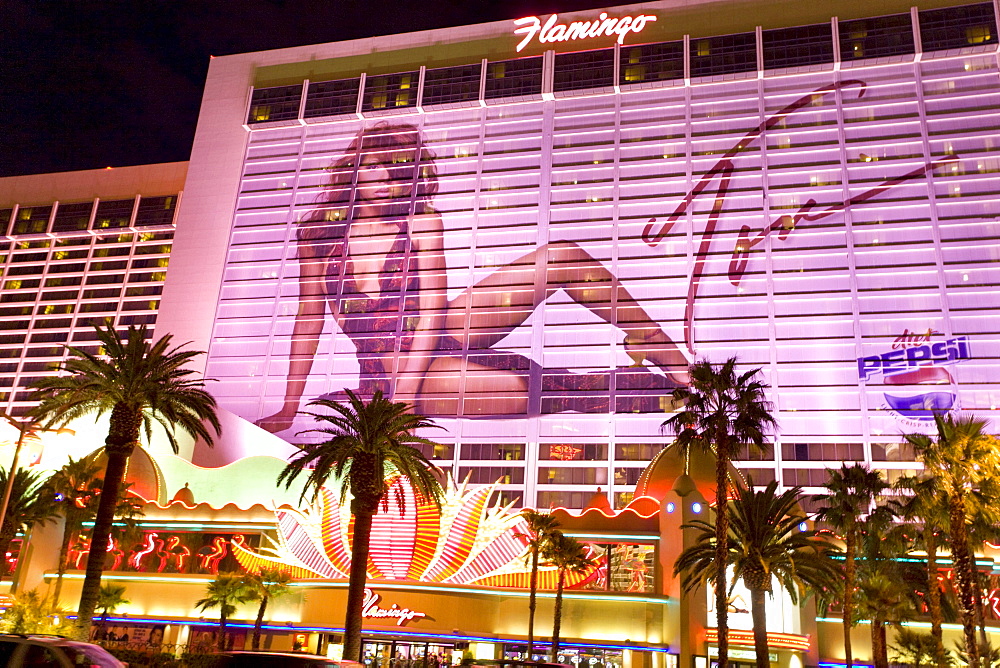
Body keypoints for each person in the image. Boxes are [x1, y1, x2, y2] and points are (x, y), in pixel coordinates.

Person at [258, 122, 688, 432]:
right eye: (374, 167)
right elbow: (309, 318)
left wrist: (406, 399)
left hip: (440, 327)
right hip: (387, 363)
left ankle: (672, 360)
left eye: (396, 169)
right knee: (518, 389)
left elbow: (430, 315)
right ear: (353, 170)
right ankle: (649, 388)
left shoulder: (421, 223)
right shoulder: (318, 236)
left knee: (561, 256)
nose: (385, 179)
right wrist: (288, 406)